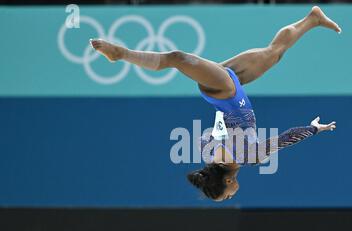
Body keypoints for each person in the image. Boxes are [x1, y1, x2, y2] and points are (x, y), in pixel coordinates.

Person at [90, 6, 339, 201]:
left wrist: (314, 129)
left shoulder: (249, 157)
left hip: (224, 91)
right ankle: (313, 19)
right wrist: (224, 134)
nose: (233, 195)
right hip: (232, 89)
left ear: (228, 182)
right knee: (274, 53)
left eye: (228, 195)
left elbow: (285, 139)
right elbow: (209, 133)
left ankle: (120, 54)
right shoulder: (210, 153)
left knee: (176, 58)